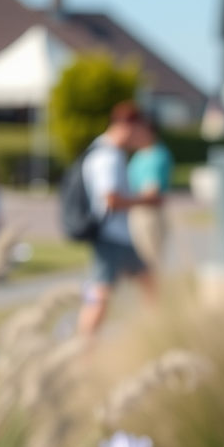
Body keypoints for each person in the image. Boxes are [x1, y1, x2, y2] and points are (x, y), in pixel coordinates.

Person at [75, 102, 160, 339]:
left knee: (148, 281)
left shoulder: (105, 151)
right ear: (129, 126)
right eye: (142, 128)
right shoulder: (108, 156)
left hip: (118, 235)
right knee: (100, 296)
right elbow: (110, 199)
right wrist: (145, 201)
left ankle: (153, 335)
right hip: (110, 234)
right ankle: (82, 352)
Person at [126, 121, 174, 274]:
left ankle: (152, 299)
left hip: (148, 214)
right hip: (137, 211)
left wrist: (120, 201)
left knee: (148, 264)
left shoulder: (157, 156)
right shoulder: (141, 154)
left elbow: (152, 192)